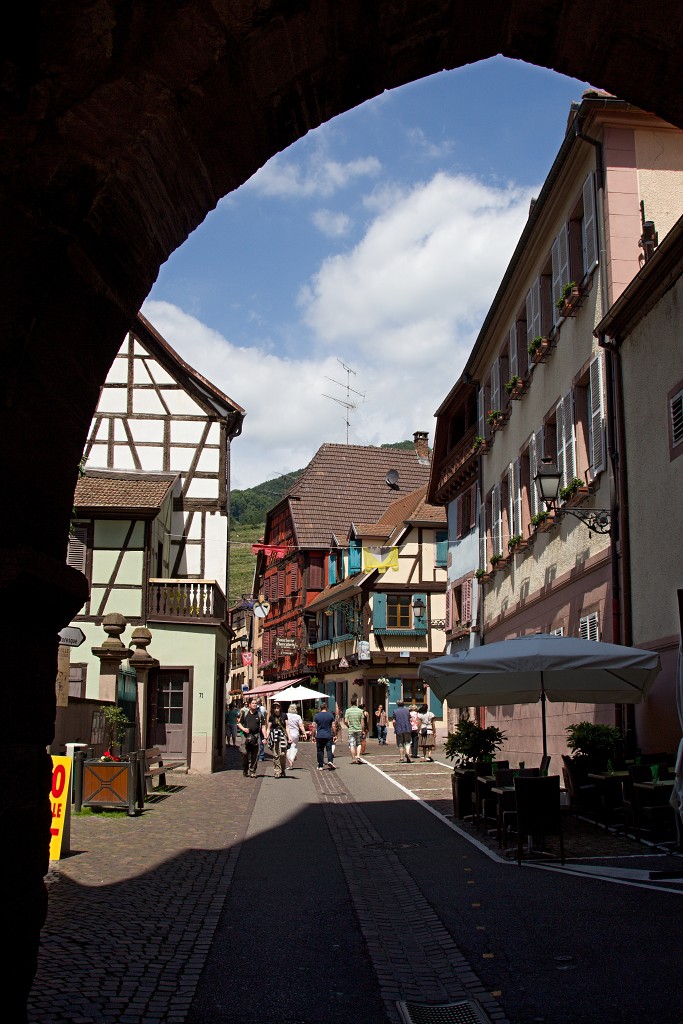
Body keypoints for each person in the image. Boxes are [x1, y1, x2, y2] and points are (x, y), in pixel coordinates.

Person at [238, 696, 266, 777]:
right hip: (246, 736)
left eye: (255, 703)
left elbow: (263, 727)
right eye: (253, 703)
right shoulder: (245, 713)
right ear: (249, 705)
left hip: (256, 736)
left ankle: (252, 771)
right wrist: (244, 729)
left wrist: (265, 737)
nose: (254, 705)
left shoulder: (260, 715)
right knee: (244, 753)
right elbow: (239, 724)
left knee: (255, 754)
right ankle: (245, 768)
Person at [312, 701, 337, 770]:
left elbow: (314, 727)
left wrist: (313, 736)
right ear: (326, 708)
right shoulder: (330, 715)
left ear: (320, 708)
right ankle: (330, 761)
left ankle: (320, 765)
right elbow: (333, 726)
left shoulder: (316, 716)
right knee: (329, 749)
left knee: (320, 750)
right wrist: (335, 735)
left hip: (319, 735)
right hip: (328, 735)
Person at [267, 702, 289, 778]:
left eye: (277, 708)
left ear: (280, 708)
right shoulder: (271, 717)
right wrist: (266, 737)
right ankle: (277, 771)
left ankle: (283, 769)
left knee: (282, 754)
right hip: (275, 737)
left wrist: (289, 737)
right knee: (276, 754)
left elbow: (287, 727)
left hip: (282, 736)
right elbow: (268, 728)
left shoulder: (284, 715)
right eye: (274, 708)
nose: (276, 709)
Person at [344, 696, 365, 764]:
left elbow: (345, 721)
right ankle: (358, 756)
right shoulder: (360, 711)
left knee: (352, 744)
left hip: (351, 730)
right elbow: (362, 722)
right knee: (359, 743)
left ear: (351, 703)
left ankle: (353, 759)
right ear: (356, 703)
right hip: (359, 729)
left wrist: (348, 726)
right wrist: (363, 730)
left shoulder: (348, 711)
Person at [285, 703, 307, 770]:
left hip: (288, 734)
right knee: (294, 747)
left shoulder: (286, 715)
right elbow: (301, 726)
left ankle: (291, 762)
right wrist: (304, 733)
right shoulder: (298, 717)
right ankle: (293, 756)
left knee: (288, 749)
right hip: (296, 734)